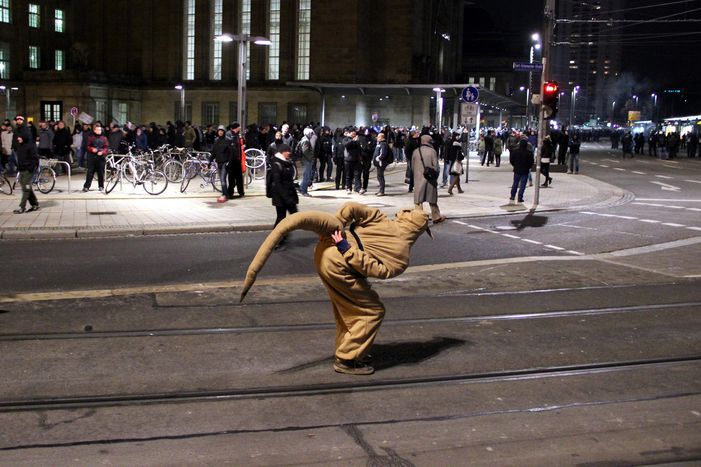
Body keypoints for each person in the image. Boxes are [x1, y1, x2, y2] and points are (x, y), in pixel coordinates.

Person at [240, 202, 431, 375]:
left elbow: (351, 207)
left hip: (324, 251)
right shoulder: (402, 254)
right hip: (340, 264)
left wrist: (337, 226)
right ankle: (349, 358)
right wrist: (346, 247)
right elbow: (375, 269)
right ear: (418, 231)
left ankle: (350, 348)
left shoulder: (380, 217)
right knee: (372, 311)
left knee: (346, 307)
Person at [269, 143, 299, 250]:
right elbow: (278, 183)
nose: (289, 153)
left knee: (294, 218)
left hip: (289, 196)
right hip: (281, 197)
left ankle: (282, 237)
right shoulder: (277, 164)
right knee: (281, 219)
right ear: (282, 152)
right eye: (288, 151)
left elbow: (289, 179)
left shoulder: (287, 162)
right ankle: (276, 240)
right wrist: (286, 197)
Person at [412, 134, 446, 223]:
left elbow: (412, 166)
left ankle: (419, 218)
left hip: (418, 178)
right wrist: (435, 176)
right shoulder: (432, 151)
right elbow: (436, 167)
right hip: (429, 178)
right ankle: (436, 216)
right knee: (432, 199)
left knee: (419, 200)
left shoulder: (416, 151)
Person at [12, 115, 40, 213]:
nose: (18, 138)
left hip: (29, 168)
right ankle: (35, 203)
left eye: (20, 137)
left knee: (26, 187)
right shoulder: (20, 146)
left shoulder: (30, 145)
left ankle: (22, 207)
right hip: (22, 167)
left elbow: (35, 158)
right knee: (26, 186)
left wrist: (31, 167)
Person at [83, 124, 109, 192]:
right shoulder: (91, 137)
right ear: (94, 130)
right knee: (90, 172)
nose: (99, 131)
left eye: (100, 130)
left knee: (101, 173)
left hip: (101, 157)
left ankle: (101, 186)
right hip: (92, 157)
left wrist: (102, 152)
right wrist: (92, 149)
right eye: (97, 130)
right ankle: (86, 186)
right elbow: (87, 146)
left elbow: (106, 147)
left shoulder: (104, 138)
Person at [210, 126, 232, 203]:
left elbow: (231, 152)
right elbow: (213, 152)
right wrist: (209, 162)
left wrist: (229, 162)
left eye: (222, 131)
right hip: (218, 162)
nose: (220, 132)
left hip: (225, 163)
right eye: (219, 131)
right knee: (222, 179)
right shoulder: (216, 140)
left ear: (224, 131)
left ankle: (224, 195)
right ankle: (225, 194)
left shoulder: (228, 140)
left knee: (222, 179)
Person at [509, 139, 534, 204]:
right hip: (525, 171)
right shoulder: (529, 153)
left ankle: (512, 195)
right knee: (523, 185)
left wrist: (515, 165)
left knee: (515, 183)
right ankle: (520, 197)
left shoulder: (515, 152)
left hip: (517, 170)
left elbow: (511, 160)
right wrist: (528, 167)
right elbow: (531, 162)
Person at [227, 122, 246, 198]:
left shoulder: (238, 135)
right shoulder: (229, 135)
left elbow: (240, 145)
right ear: (235, 127)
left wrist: (243, 146)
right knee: (231, 177)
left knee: (239, 177)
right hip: (231, 160)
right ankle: (230, 193)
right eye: (239, 127)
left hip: (238, 159)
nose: (240, 128)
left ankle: (241, 192)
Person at [298, 127, 315, 197]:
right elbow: (305, 152)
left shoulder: (304, 139)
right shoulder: (306, 141)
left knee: (306, 175)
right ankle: (304, 191)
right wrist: (311, 157)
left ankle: (301, 188)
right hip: (307, 160)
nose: (312, 135)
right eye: (311, 133)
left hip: (306, 160)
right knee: (306, 176)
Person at [344, 128, 362, 194]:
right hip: (348, 160)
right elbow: (346, 145)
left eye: (355, 134)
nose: (354, 135)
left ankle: (358, 188)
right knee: (349, 175)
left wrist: (360, 157)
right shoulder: (345, 139)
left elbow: (359, 149)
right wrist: (352, 140)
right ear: (349, 133)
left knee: (357, 175)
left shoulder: (357, 140)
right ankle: (348, 188)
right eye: (353, 134)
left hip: (356, 160)